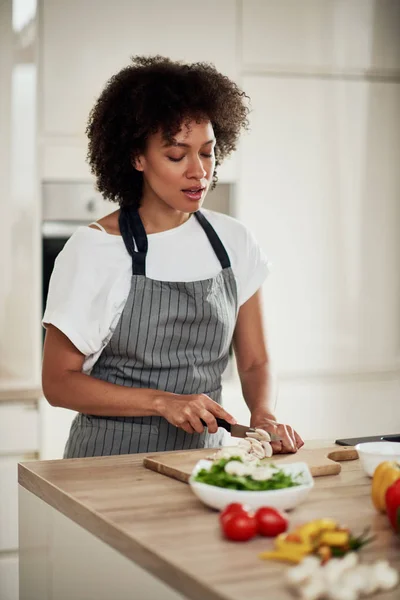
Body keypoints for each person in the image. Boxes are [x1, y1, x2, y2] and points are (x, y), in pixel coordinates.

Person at [42, 55, 304, 458]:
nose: (199, 172)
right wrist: (162, 401)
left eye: (208, 152)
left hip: (202, 462)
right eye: (177, 156)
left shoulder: (233, 241)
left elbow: (254, 362)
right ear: (137, 158)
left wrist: (264, 413)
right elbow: (58, 383)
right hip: (106, 467)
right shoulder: (94, 250)